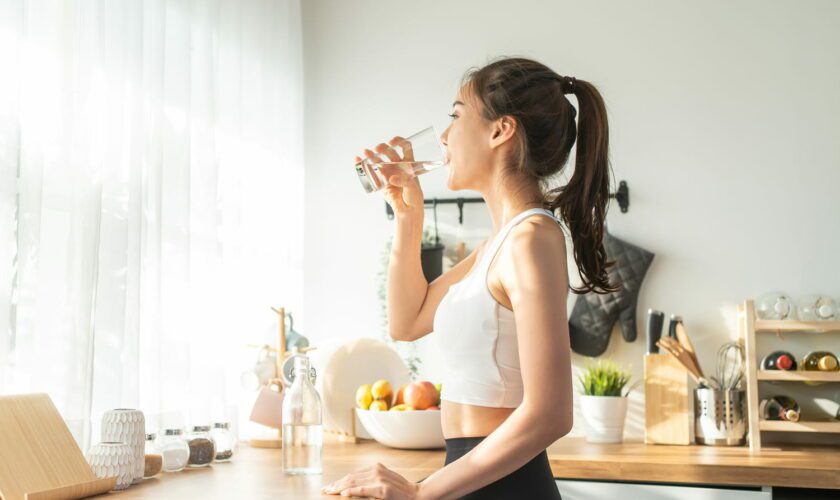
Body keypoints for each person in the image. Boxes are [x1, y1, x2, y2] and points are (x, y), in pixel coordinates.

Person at [322, 56, 618, 499]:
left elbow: (552, 413)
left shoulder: (531, 238)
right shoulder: (498, 244)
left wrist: (421, 492)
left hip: (505, 486)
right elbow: (407, 322)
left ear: (501, 130)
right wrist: (408, 217)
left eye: (455, 116)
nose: (442, 137)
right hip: (468, 478)